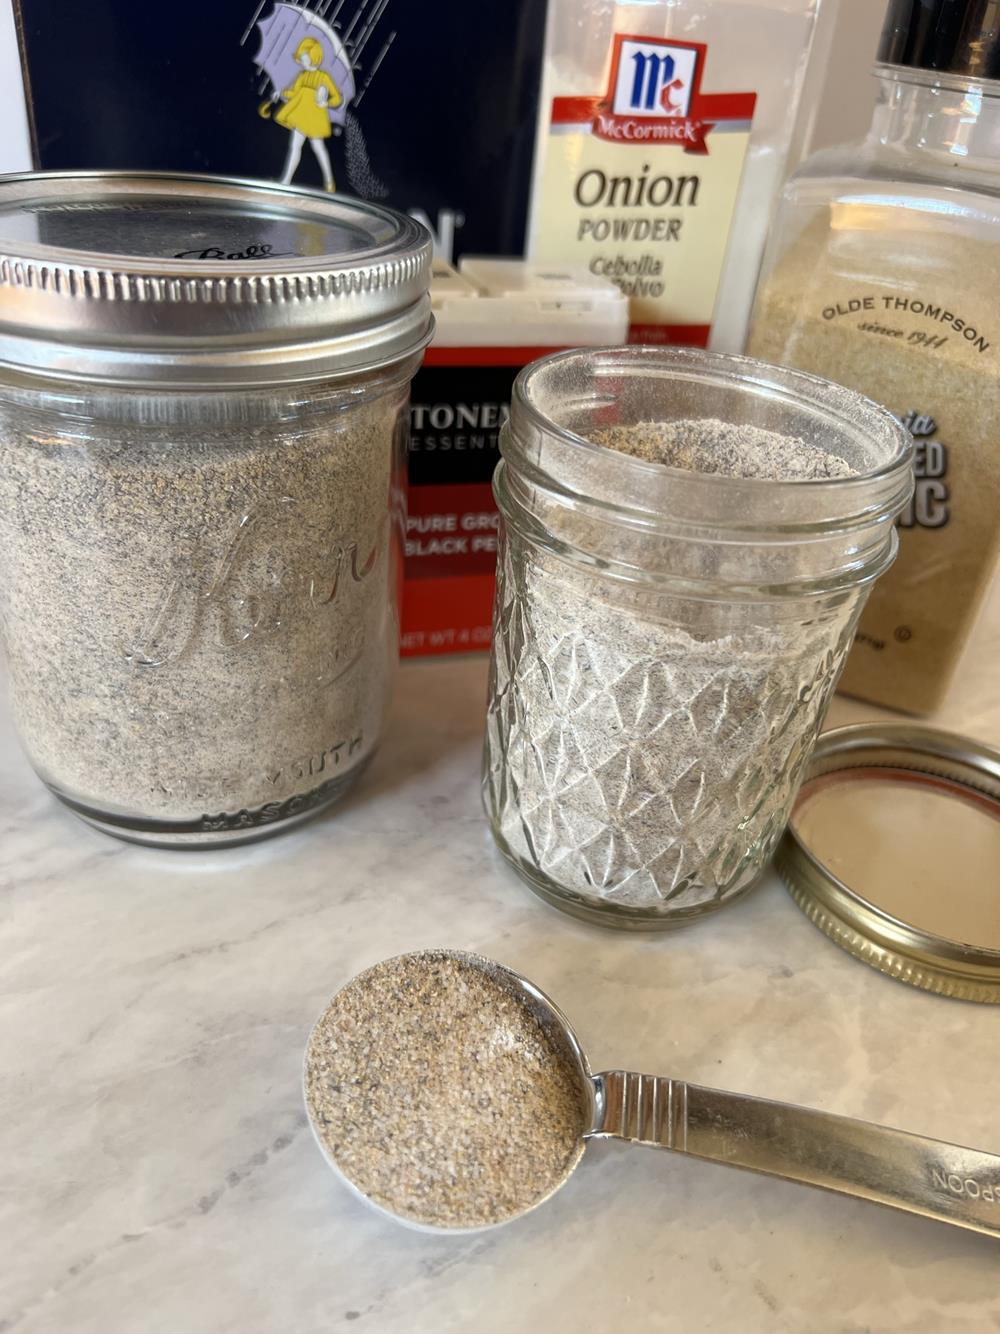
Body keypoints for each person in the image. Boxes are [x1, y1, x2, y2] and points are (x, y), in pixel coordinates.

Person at [274, 36, 342, 191]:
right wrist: (281, 93)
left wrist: (327, 103)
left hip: (315, 117)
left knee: (318, 148)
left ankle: (329, 181)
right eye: (301, 58)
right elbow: (293, 93)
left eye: (305, 57)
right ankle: (286, 180)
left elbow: (337, 97)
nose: (302, 60)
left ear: (314, 57)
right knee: (294, 146)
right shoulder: (301, 76)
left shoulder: (324, 77)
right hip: (301, 115)